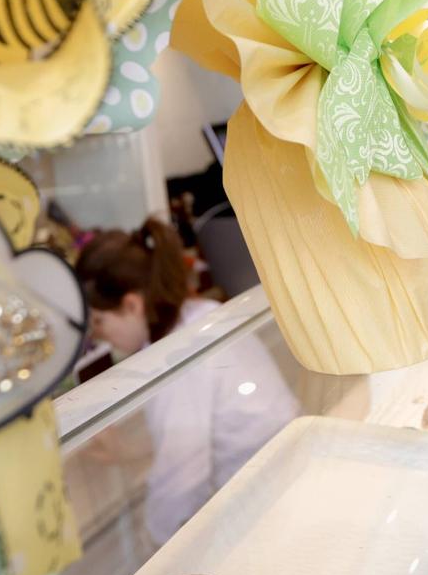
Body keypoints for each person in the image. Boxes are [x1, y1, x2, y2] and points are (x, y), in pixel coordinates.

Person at [75, 218, 298, 544]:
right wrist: (131, 451)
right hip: (284, 472)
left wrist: (152, 549)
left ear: (132, 304)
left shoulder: (173, 358)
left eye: (100, 322)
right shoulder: (200, 312)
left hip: (266, 503)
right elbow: (197, 428)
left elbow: (180, 480)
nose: (100, 336)